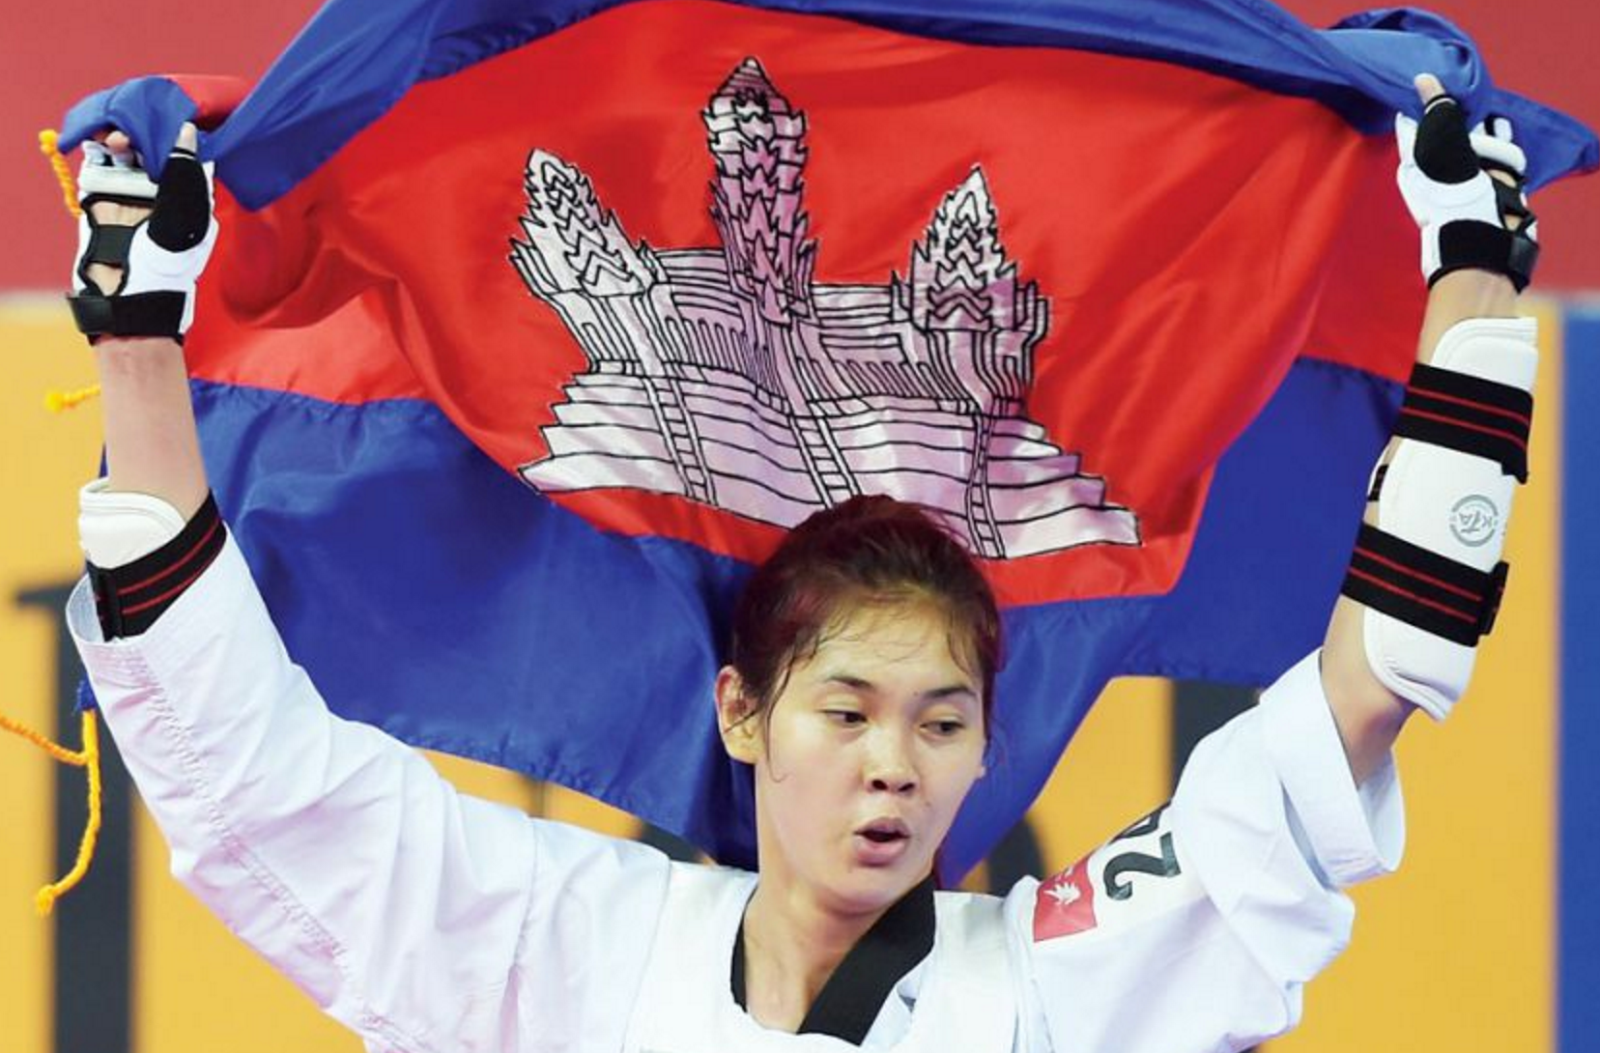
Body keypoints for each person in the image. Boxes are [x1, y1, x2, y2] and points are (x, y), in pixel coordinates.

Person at [60, 72, 1539, 1051]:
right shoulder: (565, 958)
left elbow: (1380, 676)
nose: (893, 766)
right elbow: (256, 778)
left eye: (941, 723)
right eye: (846, 711)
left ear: (986, 750)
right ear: (743, 713)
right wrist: (137, 348)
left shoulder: (1056, 993)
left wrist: (1473, 284)